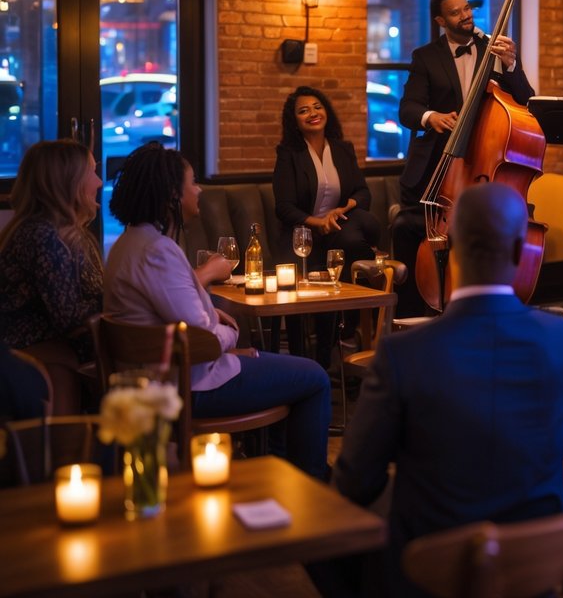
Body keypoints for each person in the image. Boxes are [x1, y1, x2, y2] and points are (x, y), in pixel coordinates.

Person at [332, 183, 563, 597]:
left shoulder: (402, 354)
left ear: (449, 246)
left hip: (431, 575)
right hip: (534, 571)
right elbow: (557, 447)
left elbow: (354, 481)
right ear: (521, 248)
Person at [104, 142, 331, 479]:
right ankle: (311, 482)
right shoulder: (158, 251)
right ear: (172, 196)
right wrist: (232, 334)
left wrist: (222, 336)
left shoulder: (127, 243)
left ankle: (281, 478)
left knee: (288, 371)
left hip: (168, 375)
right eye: (193, 183)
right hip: (189, 387)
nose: (199, 191)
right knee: (314, 377)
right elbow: (206, 338)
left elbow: (189, 323)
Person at [390, 0, 535, 317]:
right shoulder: (425, 57)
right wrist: (432, 117)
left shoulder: (495, 49)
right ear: (442, 21)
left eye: (467, 8)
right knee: (405, 229)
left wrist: (511, 64)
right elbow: (408, 109)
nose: (465, 15)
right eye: (455, 13)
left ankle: (486, 313)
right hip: (437, 170)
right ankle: (410, 319)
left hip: (484, 163)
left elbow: (525, 98)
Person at [273, 86, 380, 366]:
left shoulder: (342, 149)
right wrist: (317, 222)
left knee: (351, 242)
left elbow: (362, 193)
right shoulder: (289, 153)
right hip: (302, 236)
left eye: (317, 107)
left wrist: (343, 209)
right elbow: (284, 207)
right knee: (350, 250)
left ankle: (334, 349)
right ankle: (304, 360)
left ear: (327, 112)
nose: (312, 113)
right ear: (294, 120)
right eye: (303, 110)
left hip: (338, 231)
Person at [0, 140, 103, 413]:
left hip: (48, 348)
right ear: (68, 182)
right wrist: (125, 300)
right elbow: (69, 319)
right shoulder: (42, 235)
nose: (100, 182)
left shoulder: (66, 234)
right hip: (30, 355)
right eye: (92, 172)